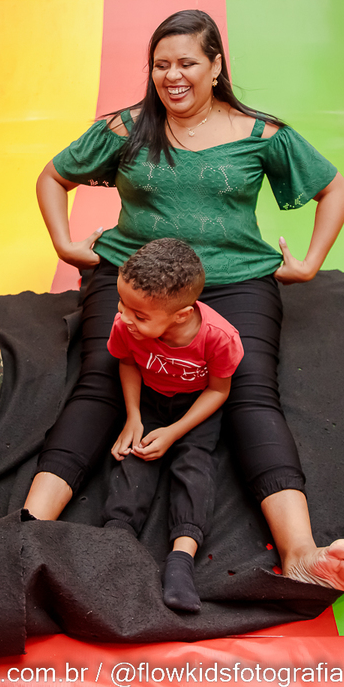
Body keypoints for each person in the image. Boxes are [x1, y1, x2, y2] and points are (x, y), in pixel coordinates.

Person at [27, 9, 344, 591]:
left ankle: (300, 553)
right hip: (134, 277)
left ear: (215, 66)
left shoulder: (261, 135)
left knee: (251, 393)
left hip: (234, 279)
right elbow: (52, 177)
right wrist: (64, 244)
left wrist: (309, 262)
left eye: (186, 63)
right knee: (99, 381)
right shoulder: (125, 129)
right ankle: (26, 529)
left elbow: (335, 187)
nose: (172, 76)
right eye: (161, 65)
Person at [104, 238, 243, 612]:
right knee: (133, 463)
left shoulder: (219, 338)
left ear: (180, 315)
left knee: (194, 467)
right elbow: (128, 363)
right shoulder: (126, 326)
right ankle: (115, 541)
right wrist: (133, 417)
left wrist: (175, 432)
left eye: (139, 315)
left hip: (195, 409)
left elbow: (218, 391)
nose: (124, 318)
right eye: (121, 304)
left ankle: (181, 560)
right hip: (150, 402)